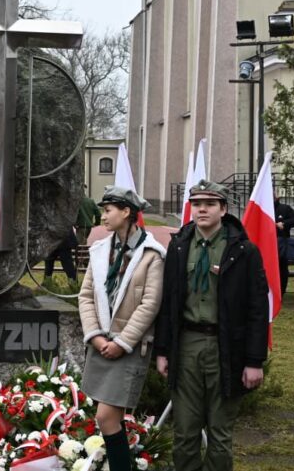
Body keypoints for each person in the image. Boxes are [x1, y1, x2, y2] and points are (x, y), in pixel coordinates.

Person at [155, 179, 268, 471]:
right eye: (196, 204)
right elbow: (168, 302)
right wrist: (163, 350)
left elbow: (257, 308)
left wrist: (254, 361)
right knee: (185, 430)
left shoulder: (243, 251)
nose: (202, 210)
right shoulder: (180, 246)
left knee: (219, 432)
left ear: (223, 209)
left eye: (209, 204)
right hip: (188, 344)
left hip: (225, 347)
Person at [77, 186, 165, 471]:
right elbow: (86, 296)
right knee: (107, 418)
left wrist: (121, 342)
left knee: (106, 417)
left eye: (108, 210)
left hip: (128, 347)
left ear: (126, 212)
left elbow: (150, 305)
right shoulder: (101, 250)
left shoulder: (152, 254)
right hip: (101, 343)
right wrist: (96, 336)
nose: (103, 216)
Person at [273, 196, 294, 295]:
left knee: (282, 269)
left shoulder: (284, 208)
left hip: (281, 246)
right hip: (265, 245)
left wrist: (284, 223)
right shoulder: (261, 208)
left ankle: (280, 293)